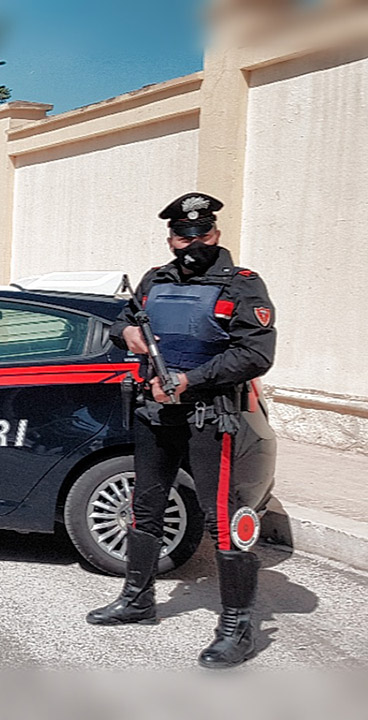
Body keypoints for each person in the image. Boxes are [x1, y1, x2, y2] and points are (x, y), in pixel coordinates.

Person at [87, 193, 276, 669]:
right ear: (171, 237)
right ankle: (137, 600)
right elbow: (126, 321)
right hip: (156, 413)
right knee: (145, 507)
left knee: (223, 520)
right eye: (182, 235)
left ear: (215, 233)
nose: (192, 243)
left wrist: (192, 380)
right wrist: (124, 332)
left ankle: (238, 627)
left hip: (210, 416)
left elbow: (255, 354)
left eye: (201, 233)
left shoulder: (243, 285)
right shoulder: (156, 279)